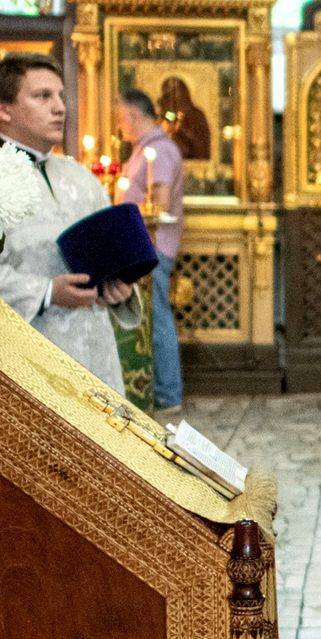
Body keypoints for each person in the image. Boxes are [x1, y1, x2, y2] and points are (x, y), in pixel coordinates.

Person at [0, 54, 142, 390]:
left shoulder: (81, 177)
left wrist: (117, 288)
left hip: (93, 351)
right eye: (43, 96)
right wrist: (46, 292)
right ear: (3, 109)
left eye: (60, 96)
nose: (60, 108)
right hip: (26, 357)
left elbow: (108, 256)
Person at [113, 87, 185, 416]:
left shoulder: (161, 151)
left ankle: (167, 394)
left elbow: (161, 203)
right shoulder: (142, 150)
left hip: (152, 244)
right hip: (138, 243)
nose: (119, 126)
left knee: (155, 316)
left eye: (121, 118)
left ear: (133, 115)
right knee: (149, 314)